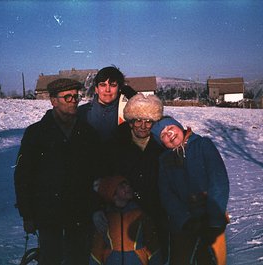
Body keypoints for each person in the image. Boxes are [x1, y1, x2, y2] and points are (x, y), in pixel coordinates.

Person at [14, 78, 100, 265]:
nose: (73, 101)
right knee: (50, 259)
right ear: (53, 101)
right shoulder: (36, 133)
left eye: (76, 97)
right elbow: (23, 176)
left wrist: (96, 207)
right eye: (67, 97)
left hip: (80, 213)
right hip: (48, 214)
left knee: (78, 259)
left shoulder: (87, 133)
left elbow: (96, 173)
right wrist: (27, 214)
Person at [151, 116, 230, 265]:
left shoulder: (202, 145)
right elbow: (166, 194)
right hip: (184, 224)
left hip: (211, 219)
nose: (169, 134)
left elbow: (218, 181)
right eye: (163, 135)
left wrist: (213, 220)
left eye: (170, 128)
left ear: (179, 126)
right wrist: (184, 220)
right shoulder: (164, 160)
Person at [110, 93, 169, 263]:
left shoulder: (162, 145)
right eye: (138, 120)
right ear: (130, 122)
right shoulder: (116, 143)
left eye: (148, 121)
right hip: (125, 214)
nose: (143, 126)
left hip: (157, 213)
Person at [90, 175, 162, 265]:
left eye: (128, 185)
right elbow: (97, 249)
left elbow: (153, 246)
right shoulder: (106, 218)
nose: (128, 187)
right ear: (113, 194)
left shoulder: (140, 215)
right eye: (122, 186)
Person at [78, 65, 136, 142]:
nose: (107, 90)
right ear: (96, 89)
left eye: (112, 85)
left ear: (119, 88)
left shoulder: (129, 112)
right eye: (103, 85)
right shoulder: (82, 112)